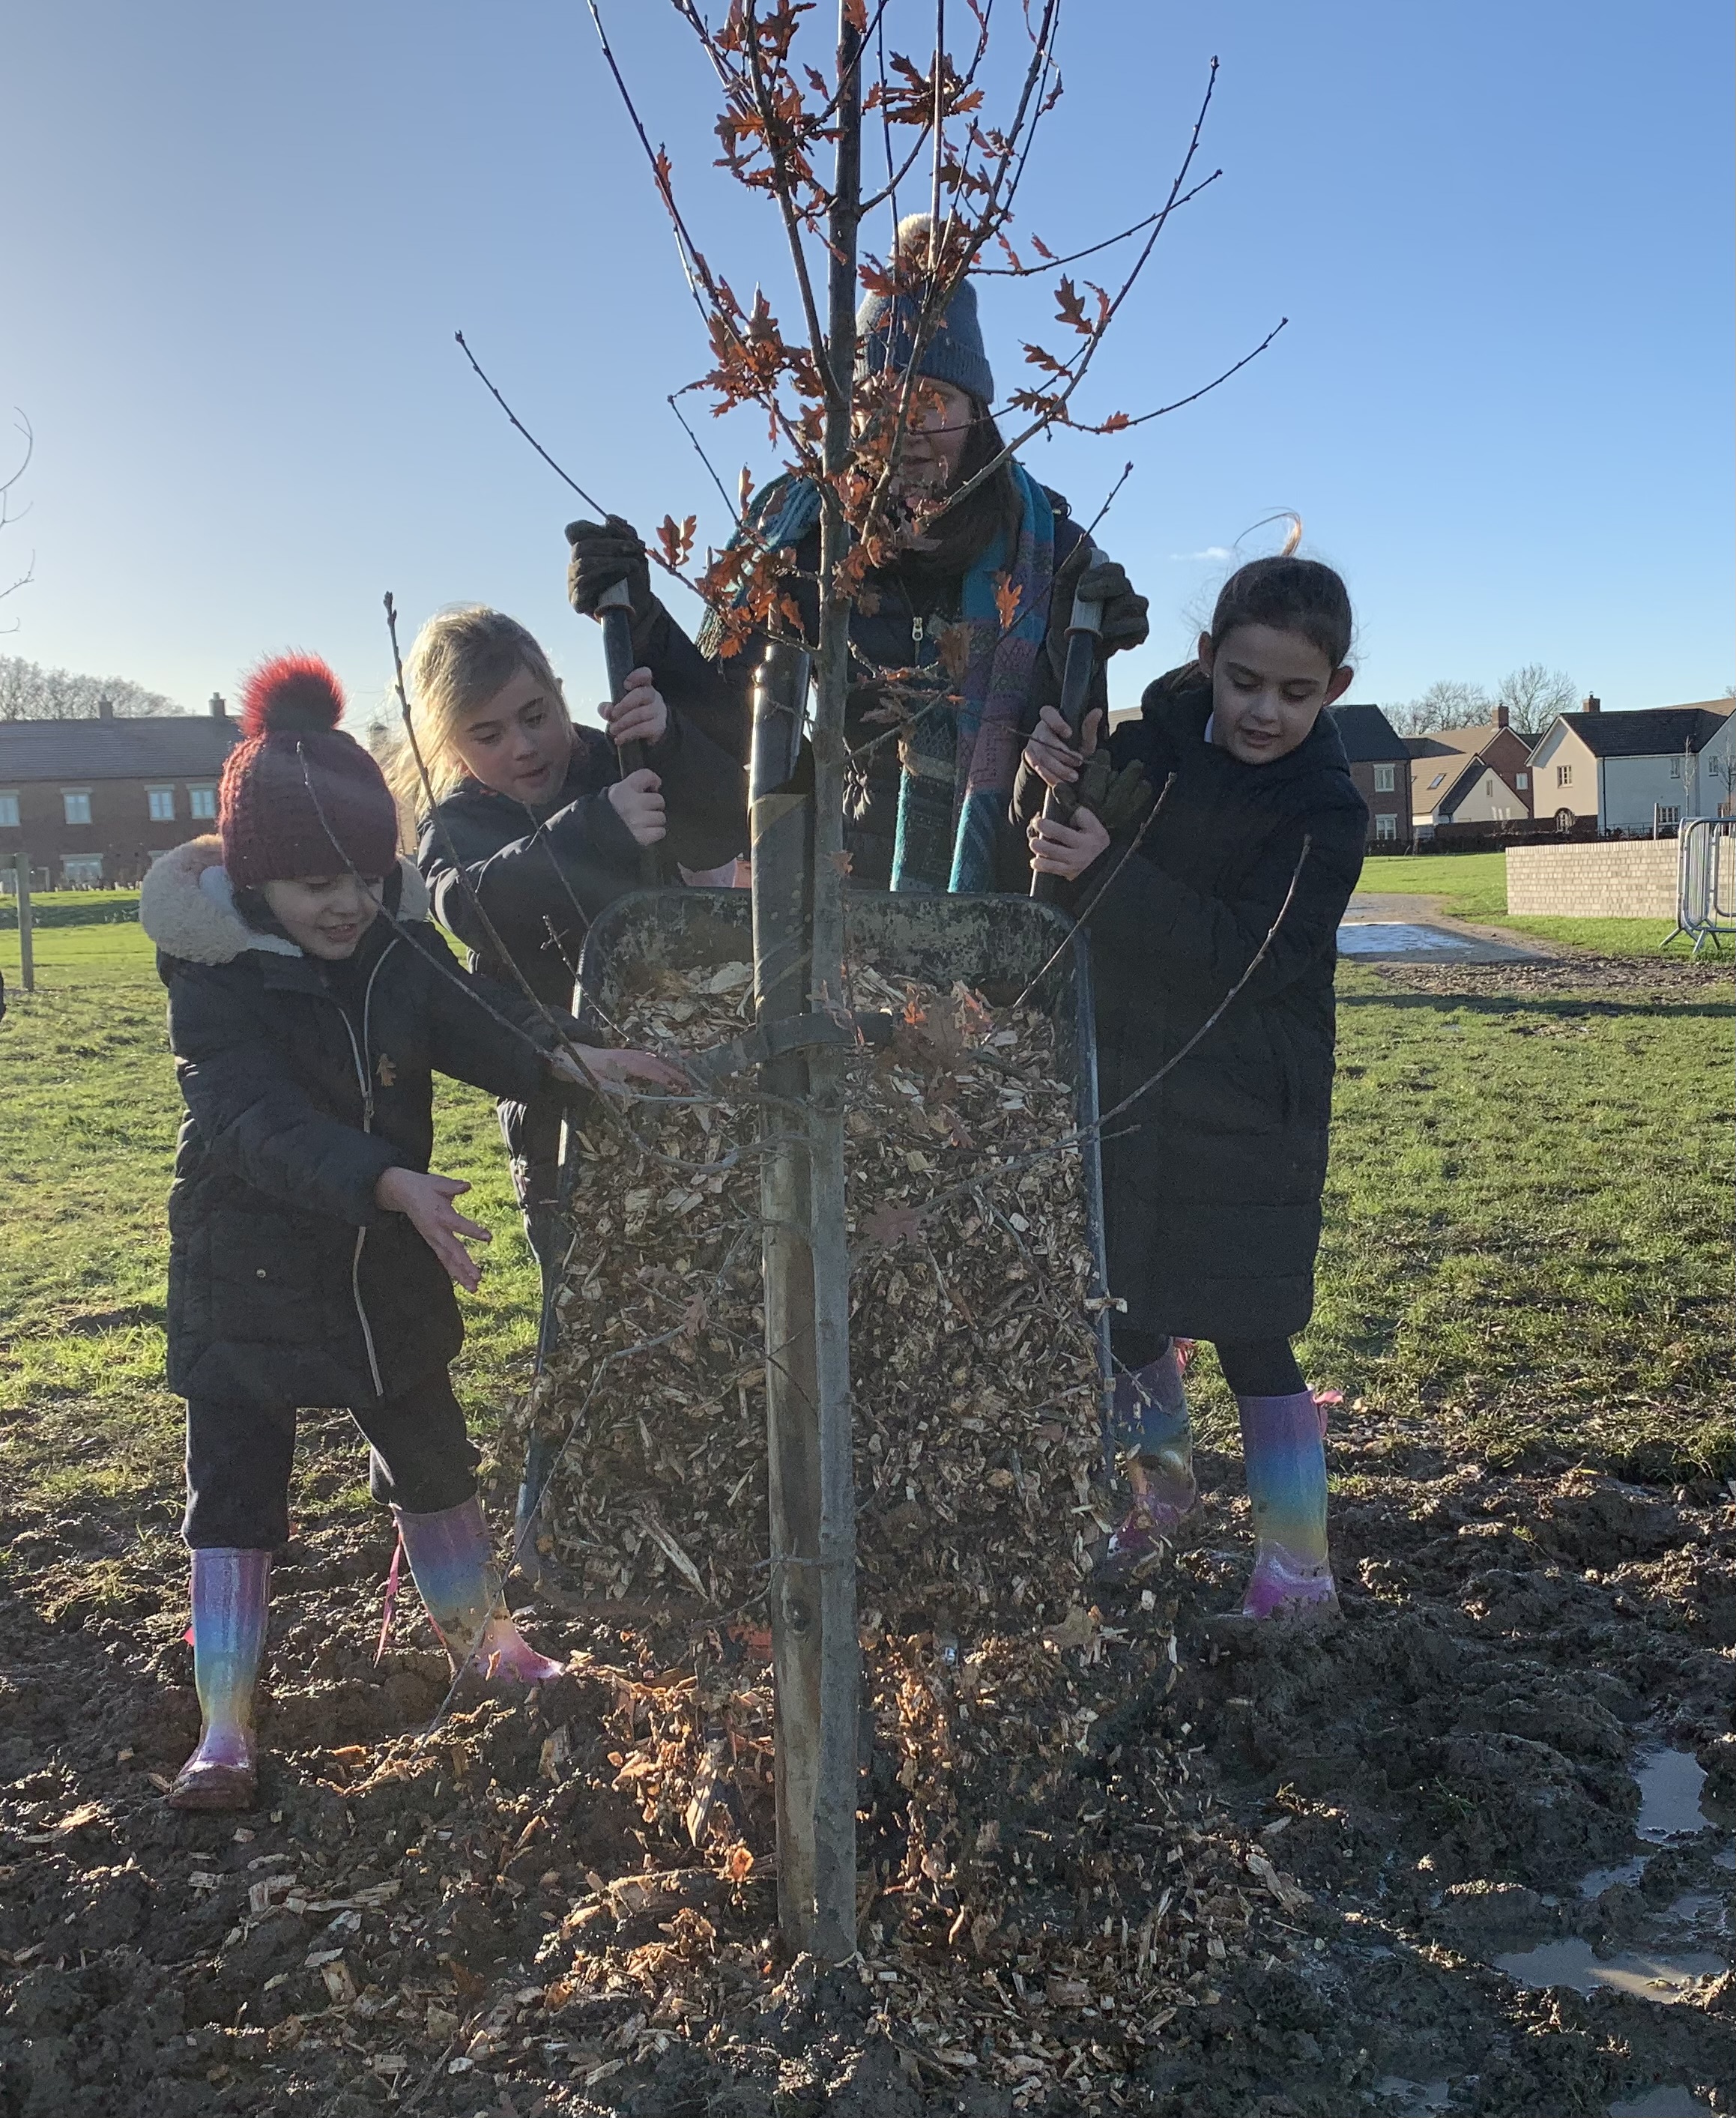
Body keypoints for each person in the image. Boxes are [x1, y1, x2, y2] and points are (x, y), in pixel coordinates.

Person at [139, 652, 680, 1810]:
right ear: (255, 879)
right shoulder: (214, 977)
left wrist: (571, 1058)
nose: (342, 901)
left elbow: (480, 1018)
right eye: (310, 882)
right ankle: (224, 1728)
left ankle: (487, 1646)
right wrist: (387, 1177)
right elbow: (247, 1119)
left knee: (432, 1453)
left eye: (362, 874)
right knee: (233, 1492)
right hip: (250, 1264)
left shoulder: (390, 945)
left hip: (387, 1252)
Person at [563, 213, 1150, 894]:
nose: (906, 429)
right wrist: (641, 623)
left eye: (935, 399)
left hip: (998, 900)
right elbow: (726, 712)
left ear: (978, 409)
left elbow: (1068, 754)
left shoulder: (1045, 550)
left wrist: (1086, 647)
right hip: (834, 883)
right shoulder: (803, 536)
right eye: (880, 399)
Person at [1020, 552, 1366, 1620]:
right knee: (1124, 1306)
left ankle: (1298, 1570)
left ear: (1335, 690)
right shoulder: (1145, 751)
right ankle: (1157, 1501)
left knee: (1254, 1331)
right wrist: (1050, 785)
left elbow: (1248, 954)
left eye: (1296, 692)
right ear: (1207, 659)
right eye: (1245, 681)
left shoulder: (1326, 813)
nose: (1265, 710)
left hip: (1250, 1106)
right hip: (1127, 1081)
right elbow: (1050, 870)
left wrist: (1106, 868)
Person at [397, 605, 743, 1254]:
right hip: (561, 1106)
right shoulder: (458, 823)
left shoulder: (624, 761)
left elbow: (724, 824)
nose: (522, 747)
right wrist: (598, 829)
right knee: (588, 1278)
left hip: (684, 1067)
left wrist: (672, 743)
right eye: (487, 734)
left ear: (559, 694)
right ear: (450, 744)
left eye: (534, 716)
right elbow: (471, 907)